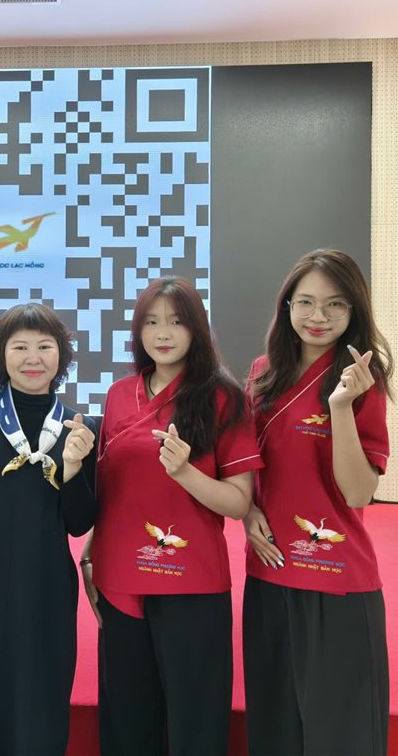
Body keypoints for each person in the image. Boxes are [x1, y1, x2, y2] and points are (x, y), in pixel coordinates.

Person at [81, 277, 263, 756]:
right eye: (151, 322)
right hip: (121, 576)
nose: (163, 333)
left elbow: (238, 502)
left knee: (195, 719)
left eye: (176, 322)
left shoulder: (223, 397)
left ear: (196, 328)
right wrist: (91, 552)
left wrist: (184, 472)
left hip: (191, 582)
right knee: (127, 718)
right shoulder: (119, 394)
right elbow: (111, 488)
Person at [242, 248, 394, 755]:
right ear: (287, 306)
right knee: (276, 731)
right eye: (305, 302)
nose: (318, 316)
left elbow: (357, 492)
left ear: (354, 310)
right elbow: (245, 467)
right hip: (269, 573)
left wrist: (341, 407)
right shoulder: (263, 373)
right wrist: (247, 512)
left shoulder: (361, 379)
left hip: (335, 579)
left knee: (341, 737)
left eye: (335, 304)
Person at [0, 303, 97, 755]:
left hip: (45, 587)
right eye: (20, 347)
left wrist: (72, 467)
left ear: (62, 356)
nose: (33, 358)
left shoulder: (79, 428)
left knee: (38, 701)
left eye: (45, 347)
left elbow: (79, 523)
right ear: (0, 356)